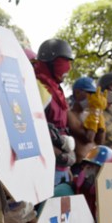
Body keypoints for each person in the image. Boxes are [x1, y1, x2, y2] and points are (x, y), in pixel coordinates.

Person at [33, 38, 77, 184]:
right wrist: (58, 154)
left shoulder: (57, 89)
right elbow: (31, 129)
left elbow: (62, 127)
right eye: (64, 61)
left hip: (61, 168)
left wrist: (67, 167)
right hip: (44, 167)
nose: (68, 68)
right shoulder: (37, 86)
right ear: (50, 62)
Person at [72, 145, 112, 217]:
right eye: (88, 167)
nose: (89, 174)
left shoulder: (110, 204)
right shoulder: (68, 190)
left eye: (96, 170)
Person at [68, 76, 100, 161]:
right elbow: (88, 138)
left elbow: (100, 140)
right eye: (90, 93)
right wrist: (95, 113)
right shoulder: (69, 114)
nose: (93, 97)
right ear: (77, 92)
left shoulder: (87, 115)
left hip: (92, 162)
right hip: (79, 166)